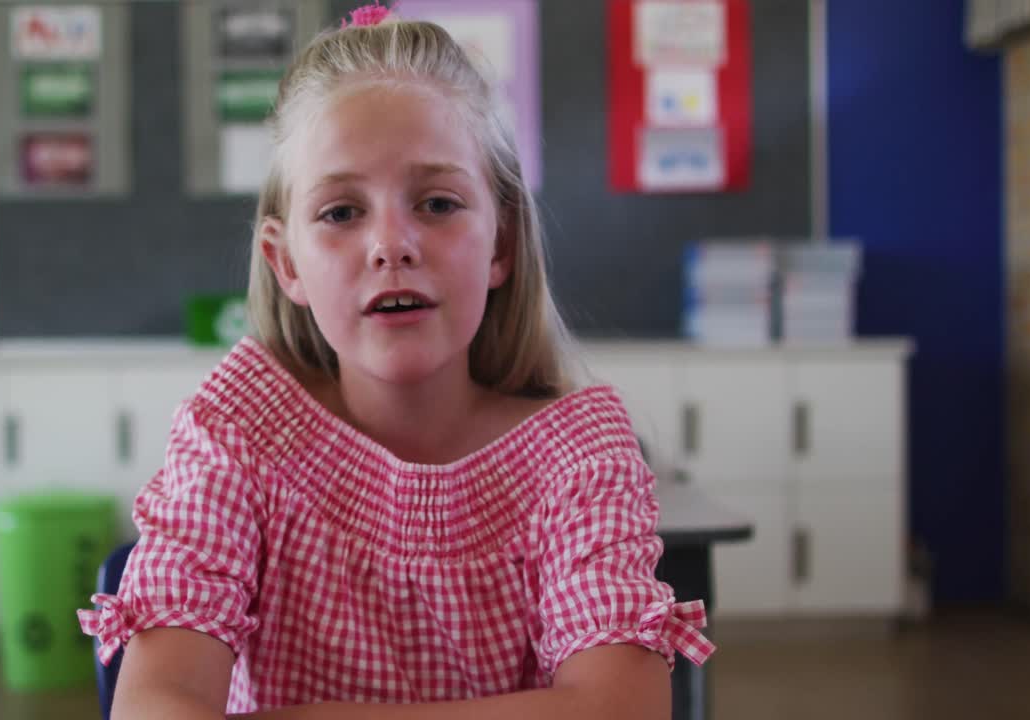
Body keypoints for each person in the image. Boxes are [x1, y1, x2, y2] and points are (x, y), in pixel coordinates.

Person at [79, 4, 713, 718]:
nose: (391, 245)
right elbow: (153, 707)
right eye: (340, 212)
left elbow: (621, 710)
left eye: (437, 203)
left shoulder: (578, 456)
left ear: (501, 245)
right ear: (287, 263)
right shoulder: (236, 434)